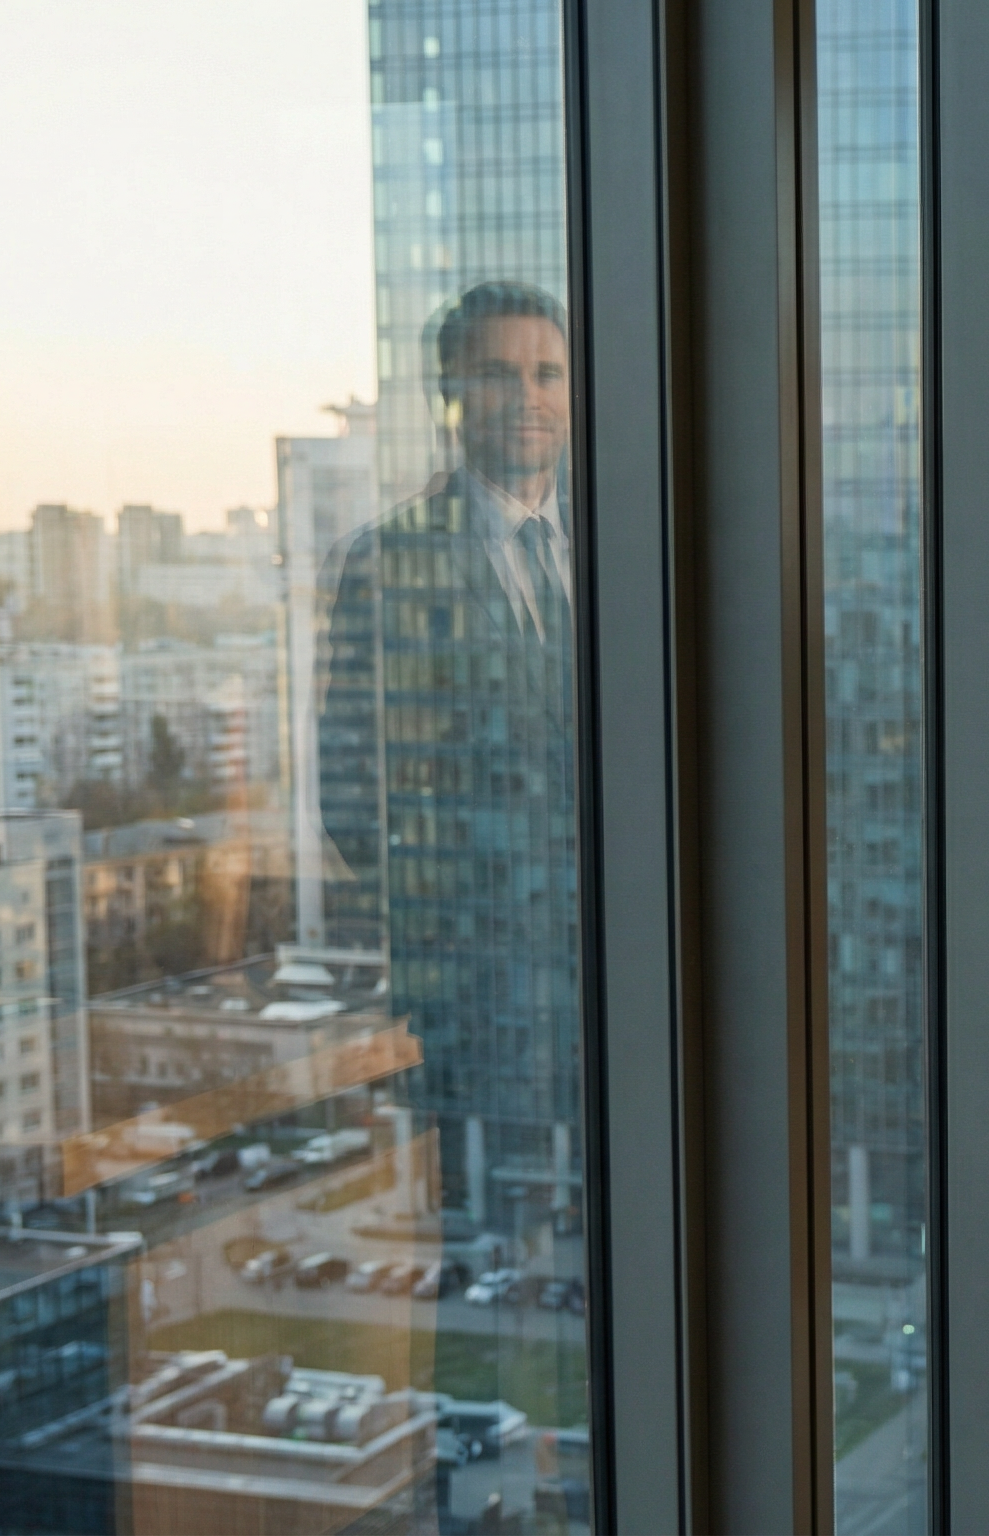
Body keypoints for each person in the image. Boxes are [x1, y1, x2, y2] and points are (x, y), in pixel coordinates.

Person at [315, 279, 581, 1237]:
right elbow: (350, 796)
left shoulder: (627, 547)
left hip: (625, 980)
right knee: (489, 1242)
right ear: (450, 396)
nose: (529, 396)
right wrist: (460, 914)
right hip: (478, 989)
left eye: (548, 372)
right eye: (499, 373)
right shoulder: (386, 562)